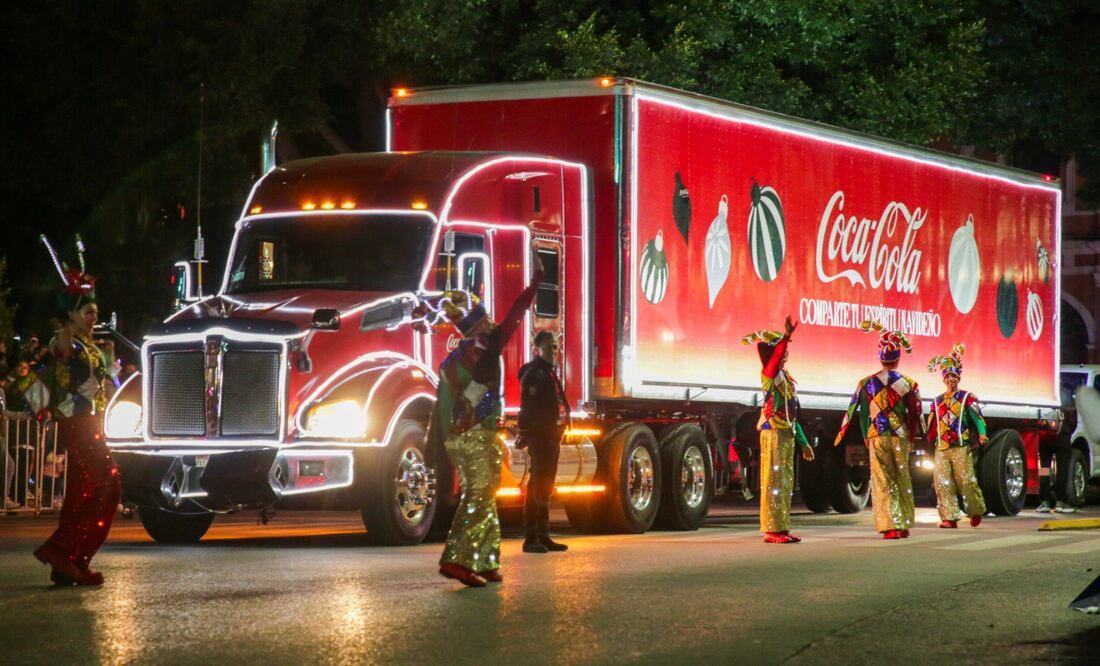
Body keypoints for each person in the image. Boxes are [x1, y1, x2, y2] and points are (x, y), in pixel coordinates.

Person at [424, 256, 544, 587]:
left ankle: (488, 560)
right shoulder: (487, 347)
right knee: (478, 496)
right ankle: (457, 560)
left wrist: (448, 444)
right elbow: (517, 315)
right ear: (478, 323)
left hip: (465, 437)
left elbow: (443, 407)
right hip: (476, 437)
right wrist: (533, 285)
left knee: (487, 493)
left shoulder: (451, 360)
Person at [32, 236, 120, 586]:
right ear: (71, 314)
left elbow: (104, 381)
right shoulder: (65, 341)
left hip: (90, 422)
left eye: (96, 312)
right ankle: (63, 550)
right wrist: (67, 330)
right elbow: (59, 350)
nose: (94, 317)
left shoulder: (92, 346)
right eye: (88, 311)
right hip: (77, 423)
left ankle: (71, 560)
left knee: (92, 489)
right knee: (103, 483)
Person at [835, 320, 923, 540]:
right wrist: (912, 437)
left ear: (881, 357)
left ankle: (888, 525)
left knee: (882, 480)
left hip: (876, 436)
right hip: (900, 437)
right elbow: (914, 414)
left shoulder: (867, 383)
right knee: (902, 477)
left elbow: (862, 413)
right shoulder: (909, 384)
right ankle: (902, 523)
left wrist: (866, 434)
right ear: (898, 357)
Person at [742, 317, 815, 543]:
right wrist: (786, 338)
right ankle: (772, 530)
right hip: (772, 432)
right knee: (773, 482)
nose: (785, 354)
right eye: (781, 351)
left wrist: (804, 443)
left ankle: (781, 527)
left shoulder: (785, 378)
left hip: (786, 433)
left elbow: (793, 415)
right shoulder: (769, 374)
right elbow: (775, 359)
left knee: (784, 483)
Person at [516, 330, 570, 554]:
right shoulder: (535, 373)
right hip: (540, 437)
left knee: (546, 486)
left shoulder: (548, 372)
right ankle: (531, 538)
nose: (554, 351)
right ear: (537, 349)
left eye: (556, 347)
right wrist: (527, 433)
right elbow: (527, 409)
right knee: (537, 486)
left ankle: (544, 535)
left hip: (551, 437)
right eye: (549, 347)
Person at [926, 344, 987, 528]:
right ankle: (949, 517)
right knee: (942, 482)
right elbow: (932, 424)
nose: (951, 380)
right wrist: (931, 441)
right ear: (944, 379)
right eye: (948, 376)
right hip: (942, 447)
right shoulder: (937, 401)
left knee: (966, 480)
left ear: (958, 378)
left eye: (954, 376)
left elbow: (977, 418)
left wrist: (982, 434)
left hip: (961, 445)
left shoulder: (966, 397)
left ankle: (975, 510)